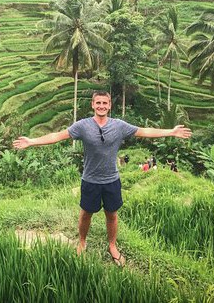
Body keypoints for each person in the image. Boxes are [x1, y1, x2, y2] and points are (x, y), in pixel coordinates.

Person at [12, 91, 192, 267]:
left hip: (111, 180)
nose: (101, 106)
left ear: (109, 106)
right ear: (93, 105)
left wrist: (171, 132)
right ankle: (82, 242)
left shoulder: (119, 126)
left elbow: (144, 131)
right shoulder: (82, 126)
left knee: (112, 215)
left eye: (104, 103)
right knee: (85, 214)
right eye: (98, 103)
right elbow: (57, 136)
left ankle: (112, 245)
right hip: (90, 180)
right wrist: (32, 141)